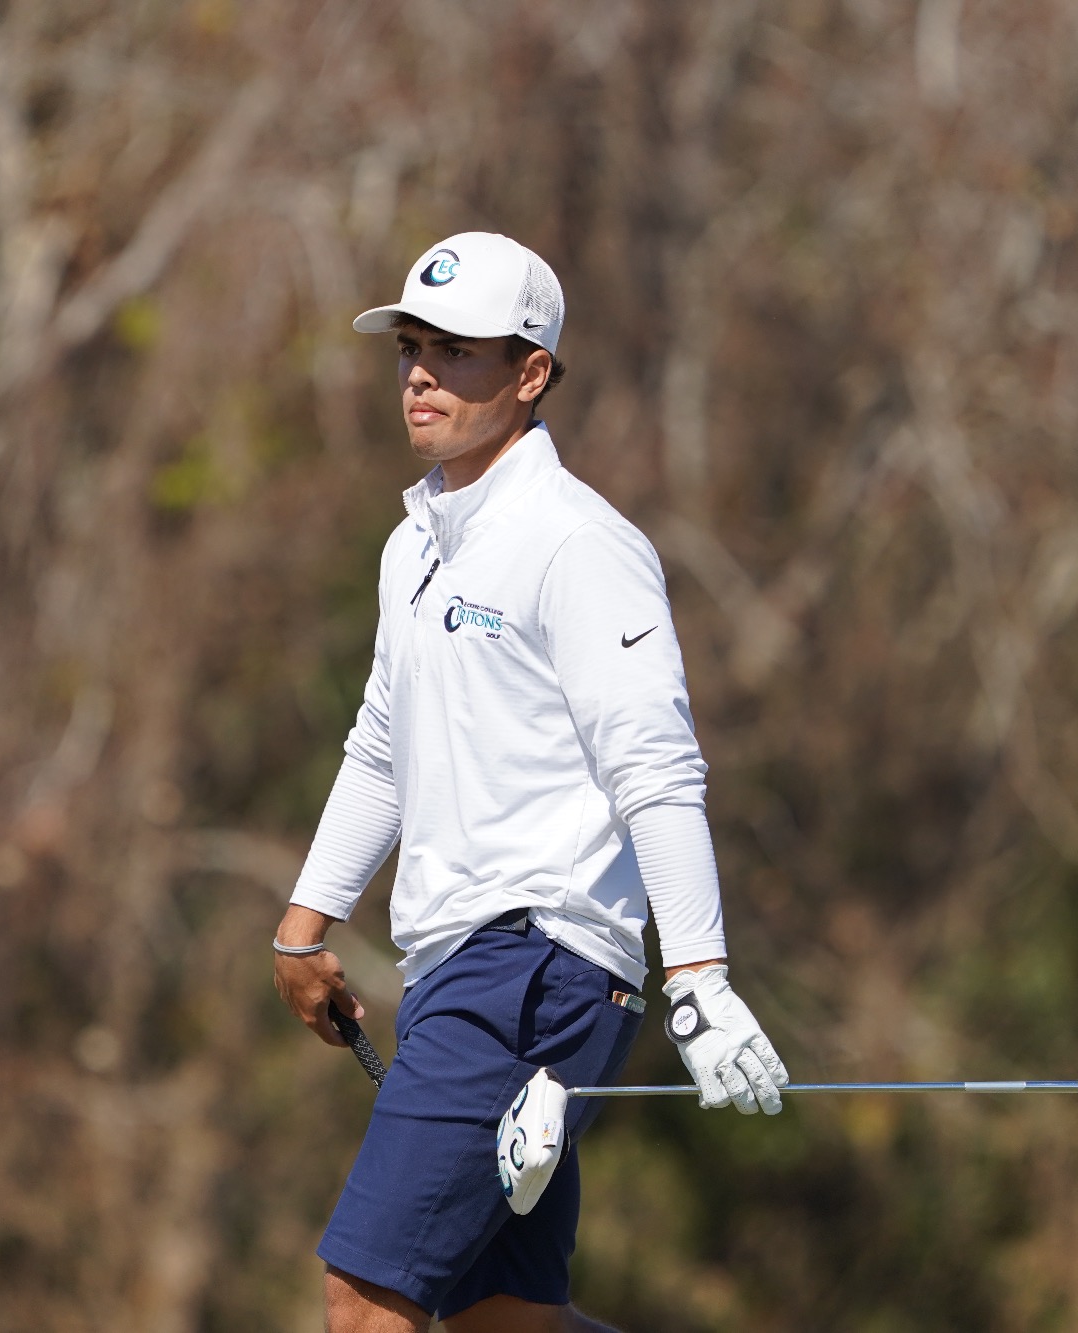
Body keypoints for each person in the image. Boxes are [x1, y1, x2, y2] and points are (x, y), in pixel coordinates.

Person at [272, 232, 791, 1333]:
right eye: (412, 346)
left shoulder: (578, 544)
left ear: (530, 373)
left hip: (533, 966)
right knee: (505, 1316)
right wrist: (302, 926)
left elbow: (654, 764)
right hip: (469, 966)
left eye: (456, 351)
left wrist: (698, 976)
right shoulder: (410, 548)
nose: (419, 371)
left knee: (363, 1302)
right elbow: (382, 744)